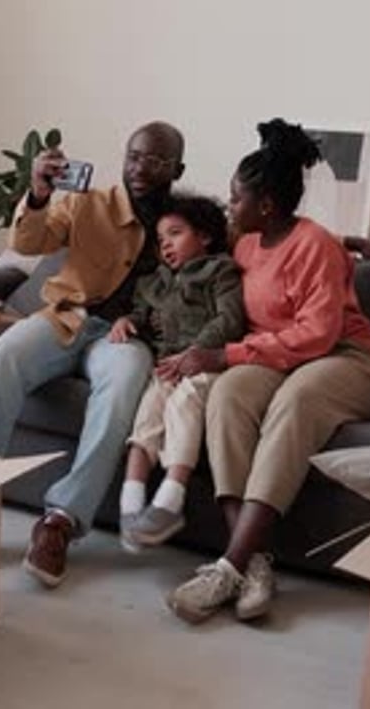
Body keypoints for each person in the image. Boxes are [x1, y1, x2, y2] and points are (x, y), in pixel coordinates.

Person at [162, 118, 370, 624]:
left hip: (344, 356)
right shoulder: (246, 243)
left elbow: (317, 335)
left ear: (265, 204)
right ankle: (254, 563)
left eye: (236, 198)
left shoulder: (317, 245)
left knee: (296, 401)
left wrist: (224, 354)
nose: (230, 206)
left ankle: (227, 566)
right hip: (277, 354)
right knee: (228, 394)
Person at [0, 121, 185, 588]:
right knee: (3, 356)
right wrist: (39, 193)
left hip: (124, 339)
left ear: (177, 170)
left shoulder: (185, 225)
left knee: (126, 380)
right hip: (65, 318)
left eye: (156, 161)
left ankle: (61, 520)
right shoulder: (87, 202)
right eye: (134, 156)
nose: (141, 168)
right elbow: (28, 243)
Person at [109, 193, 245, 551]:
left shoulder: (220, 271)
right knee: (148, 412)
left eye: (175, 233)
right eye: (161, 238)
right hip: (168, 366)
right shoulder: (153, 283)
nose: (166, 244)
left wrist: (195, 352)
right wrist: (126, 321)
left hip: (205, 364)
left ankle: (171, 499)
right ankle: (131, 505)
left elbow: (229, 320)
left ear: (205, 237)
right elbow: (141, 315)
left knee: (185, 402)